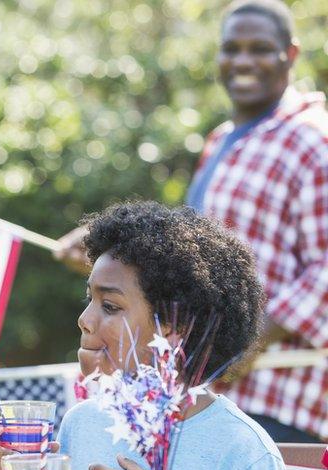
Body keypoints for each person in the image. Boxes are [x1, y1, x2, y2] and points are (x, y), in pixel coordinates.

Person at [54, 0, 328, 444]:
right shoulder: (223, 140)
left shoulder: (313, 139)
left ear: (290, 54)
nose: (243, 61)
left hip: (278, 399)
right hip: (202, 390)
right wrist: (109, 257)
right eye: (231, 48)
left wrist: (247, 339)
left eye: (259, 48)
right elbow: (193, 258)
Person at [0, 202, 294, 470]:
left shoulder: (244, 451)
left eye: (110, 306)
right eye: (90, 299)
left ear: (174, 328)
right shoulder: (82, 422)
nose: (84, 319)